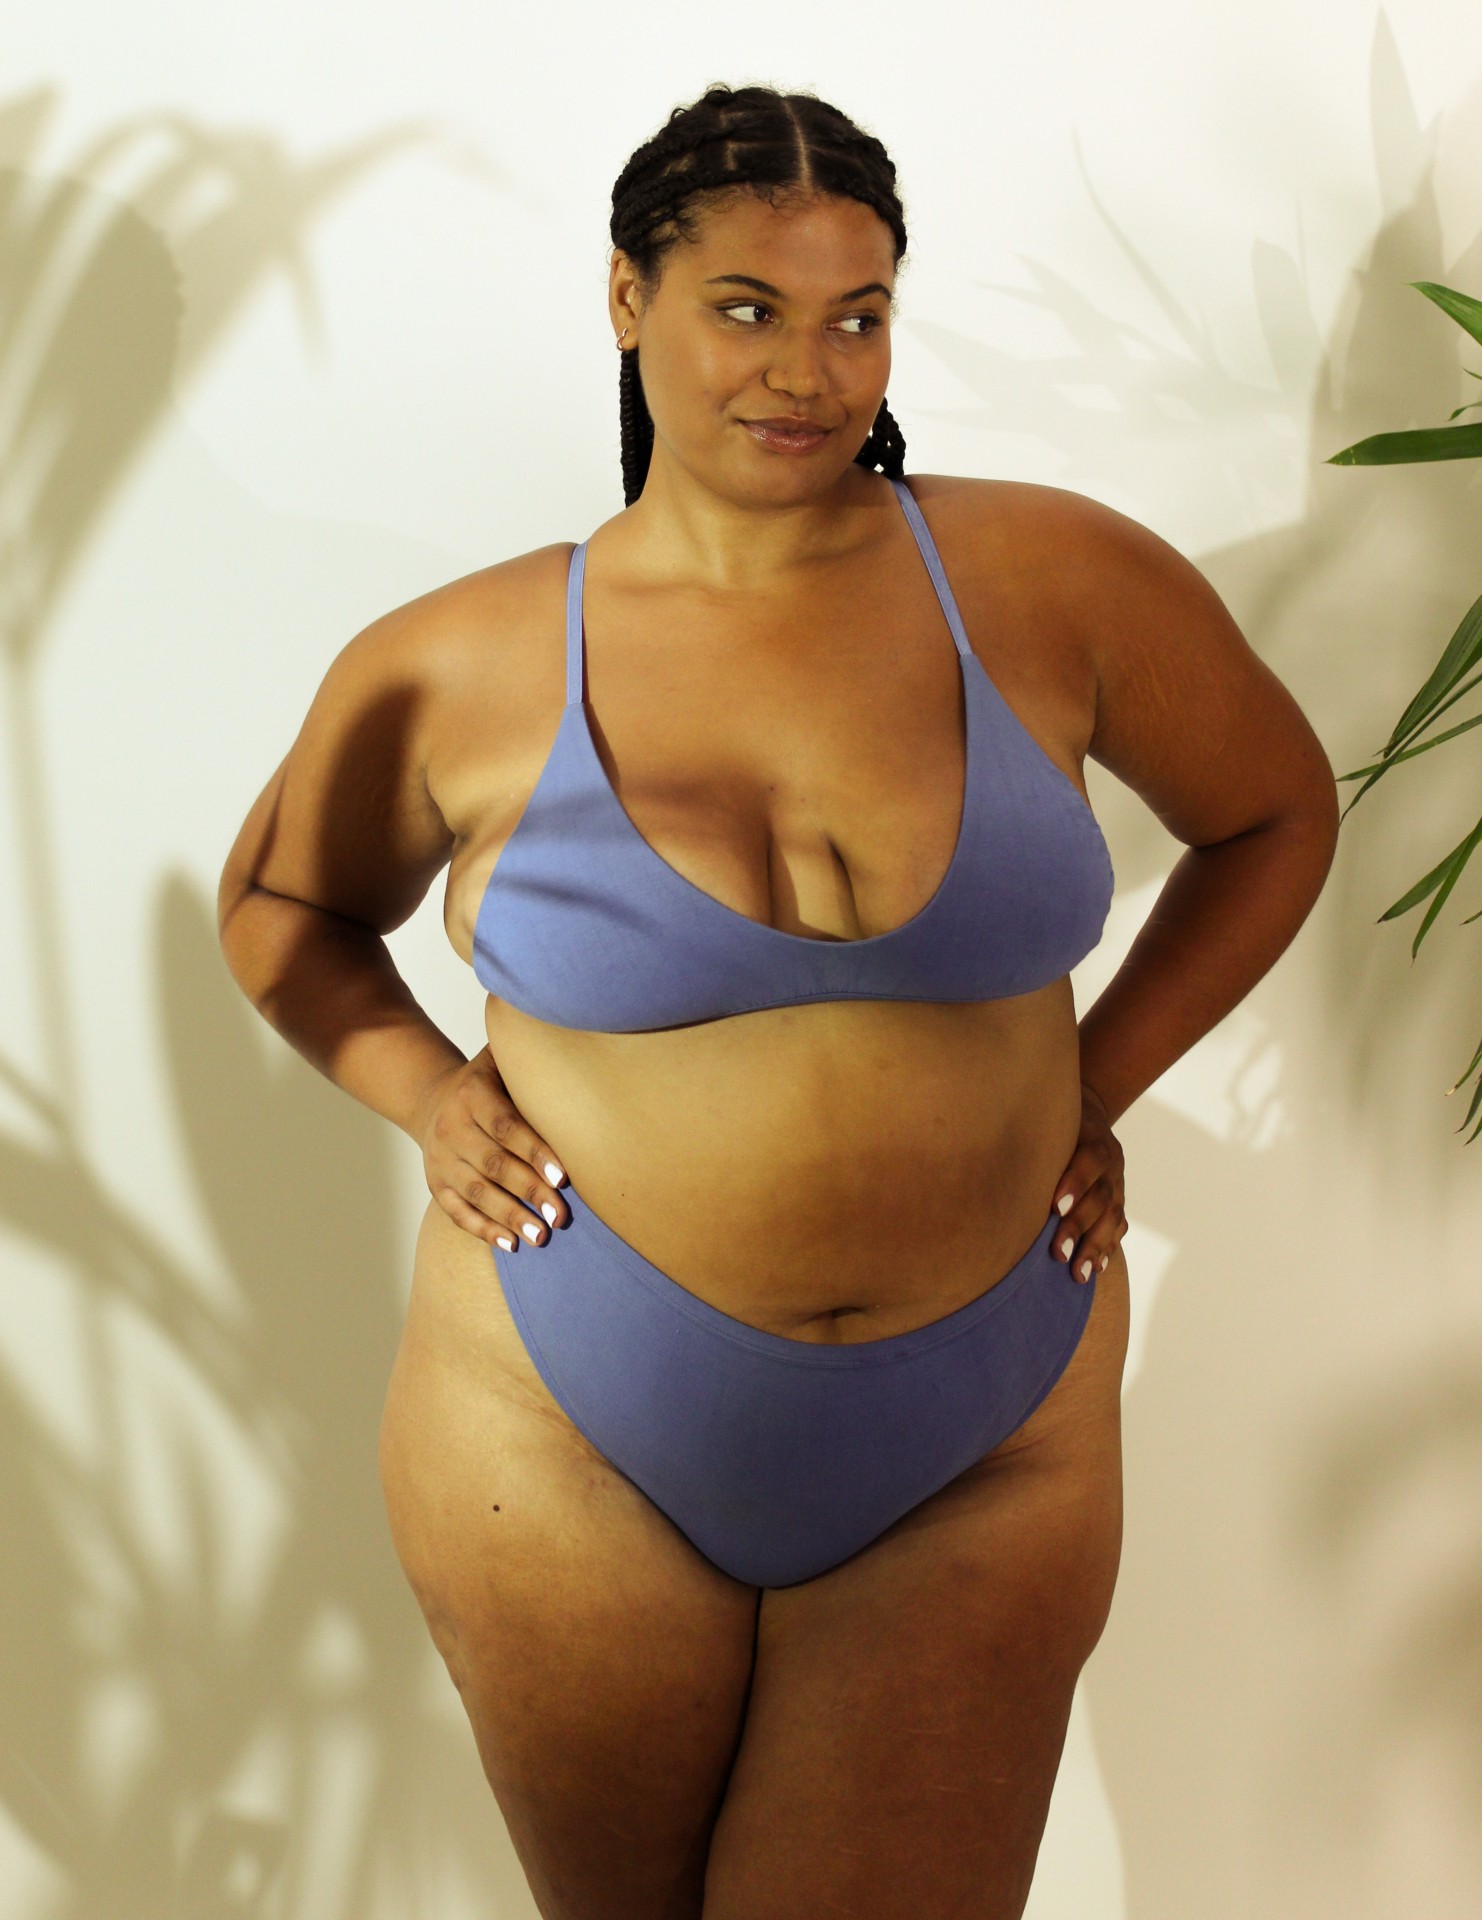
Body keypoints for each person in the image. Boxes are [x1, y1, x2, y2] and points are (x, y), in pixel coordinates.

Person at [217, 80, 1339, 1920]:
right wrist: (427, 1097)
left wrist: (1096, 1082)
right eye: (745, 308)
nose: (805, 372)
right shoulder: (465, 657)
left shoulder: (1052, 578)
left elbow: (1275, 813)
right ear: (626, 297)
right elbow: (281, 906)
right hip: (566, 1412)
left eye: (855, 316)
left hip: (991, 1411)